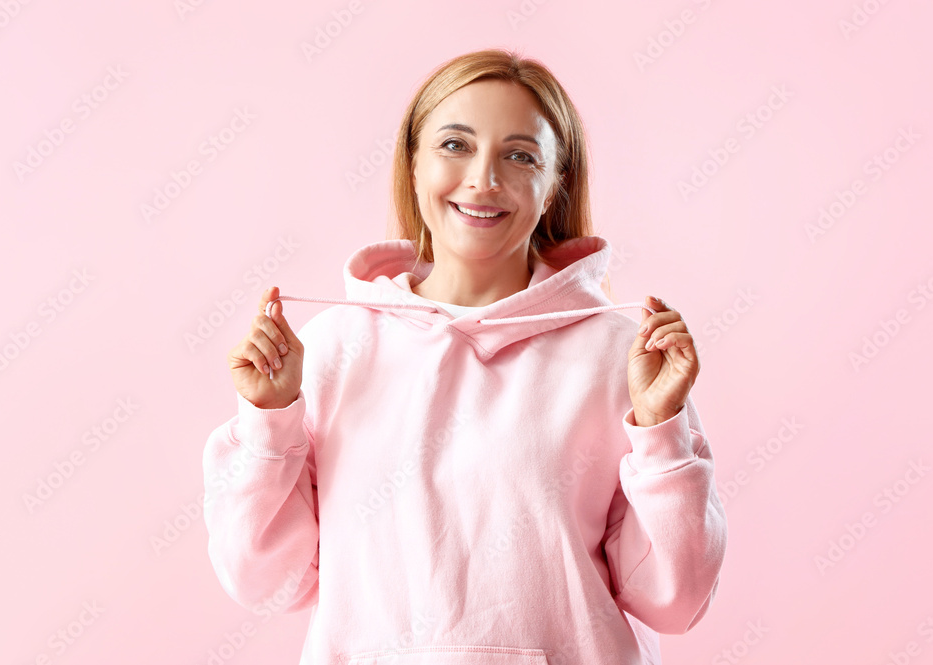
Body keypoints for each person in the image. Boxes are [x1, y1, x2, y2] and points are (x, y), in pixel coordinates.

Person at [202, 48, 727, 665]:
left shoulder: (623, 358)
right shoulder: (329, 349)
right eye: (455, 145)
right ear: (413, 163)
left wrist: (663, 435)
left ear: (555, 180)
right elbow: (265, 584)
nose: (483, 178)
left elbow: (675, 601)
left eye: (520, 155)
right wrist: (269, 423)